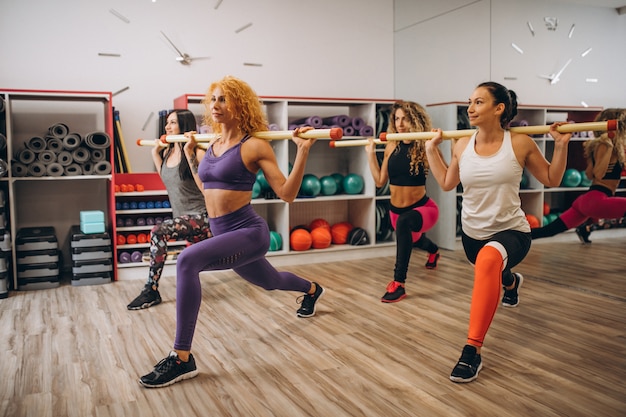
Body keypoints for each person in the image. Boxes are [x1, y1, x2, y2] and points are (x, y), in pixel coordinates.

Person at [139, 76, 324, 388]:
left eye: (223, 99)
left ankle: (181, 358)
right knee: (271, 281)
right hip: (223, 234)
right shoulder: (210, 146)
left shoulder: (254, 145)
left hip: (248, 231)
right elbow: (205, 190)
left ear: (241, 105)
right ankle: (311, 290)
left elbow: (287, 194)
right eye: (213, 99)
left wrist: (303, 152)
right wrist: (188, 157)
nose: (215, 105)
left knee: (186, 261)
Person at [424, 81, 572, 383]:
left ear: (499, 108)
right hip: (472, 235)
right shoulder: (462, 143)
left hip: (512, 231)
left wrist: (560, 145)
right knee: (491, 268)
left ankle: (472, 351)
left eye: (479, 102)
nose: (470, 108)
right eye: (470, 102)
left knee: (490, 262)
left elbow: (552, 178)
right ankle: (511, 282)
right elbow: (447, 183)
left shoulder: (519, 143)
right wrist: (430, 150)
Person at [127, 110, 212, 310]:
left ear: (184, 126)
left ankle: (151, 289)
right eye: (167, 123)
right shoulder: (167, 153)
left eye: (172, 123)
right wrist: (154, 153)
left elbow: (206, 188)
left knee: (158, 231)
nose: (167, 127)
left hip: (202, 217)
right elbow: (167, 178)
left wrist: (190, 151)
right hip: (182, 219)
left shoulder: (197, 151)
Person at [365, 101, 441, 303]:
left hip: (424, 209)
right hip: (395, 211)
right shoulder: (391, 145)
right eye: (397, 118)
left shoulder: (424, 144)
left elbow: (446, 173)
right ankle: (433, 251)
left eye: (405, 118)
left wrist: (433, 147)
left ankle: (399, 284)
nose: (400, 123)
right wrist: (371, 154)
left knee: (405, 224)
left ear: (415, 120)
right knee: (414, 240)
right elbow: (380, 180)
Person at [530, 108, 626, 243]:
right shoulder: (605, 145)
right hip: (597, 201)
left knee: (548, 231)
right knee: (548, 230)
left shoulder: (601, 145)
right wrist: (609, 147)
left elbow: (589, 174)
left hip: (587, 201)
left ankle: (584, 228)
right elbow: (598, 174)